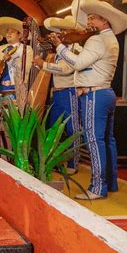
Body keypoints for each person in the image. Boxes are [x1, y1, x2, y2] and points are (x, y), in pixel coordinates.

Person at [47, 0, 127, 199]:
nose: (89, 23)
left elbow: (76, 63)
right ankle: (111, 182)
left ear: (105, 21)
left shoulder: (96, 39)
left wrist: (59, 46)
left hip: (94, 94)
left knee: (94, 140)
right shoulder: (111, 39)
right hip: (106, 92)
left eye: (93, 19)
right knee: (107, 140)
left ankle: (97, 187)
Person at [33, 15, 83, 172]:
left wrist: (45, 65)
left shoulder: (76, 49)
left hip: (69, 92)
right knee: (53, 127)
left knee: (72, 128)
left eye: (64, 31)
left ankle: (73, 164)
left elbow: (67, 69)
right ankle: (52, 160)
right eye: (60, 32)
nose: (61, 34)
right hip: (57, 94)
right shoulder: (61, 50)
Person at [0, 17, 33, 102]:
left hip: (19, 86)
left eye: (12, 32)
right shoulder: (1, 48)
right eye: (7, 32)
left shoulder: (26, 49)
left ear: (20, 35)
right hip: (3, 86)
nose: (8, 34)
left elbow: (27, 67)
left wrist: (10, 60)